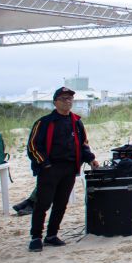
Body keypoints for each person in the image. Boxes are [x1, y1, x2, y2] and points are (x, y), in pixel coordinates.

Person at [26, 87, 100, 251]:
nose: (68, 101)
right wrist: (45, 164)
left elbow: (83, 144)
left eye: (70, 98)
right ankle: (36, 237)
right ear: (55, 102)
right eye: (64, 98)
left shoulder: (77, 122)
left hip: (70, 168)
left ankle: (51, 235)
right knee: (43, 203)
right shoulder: (44, 122)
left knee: (61, 203)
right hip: (49, 169)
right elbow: (33, 146)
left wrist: (91, 159)